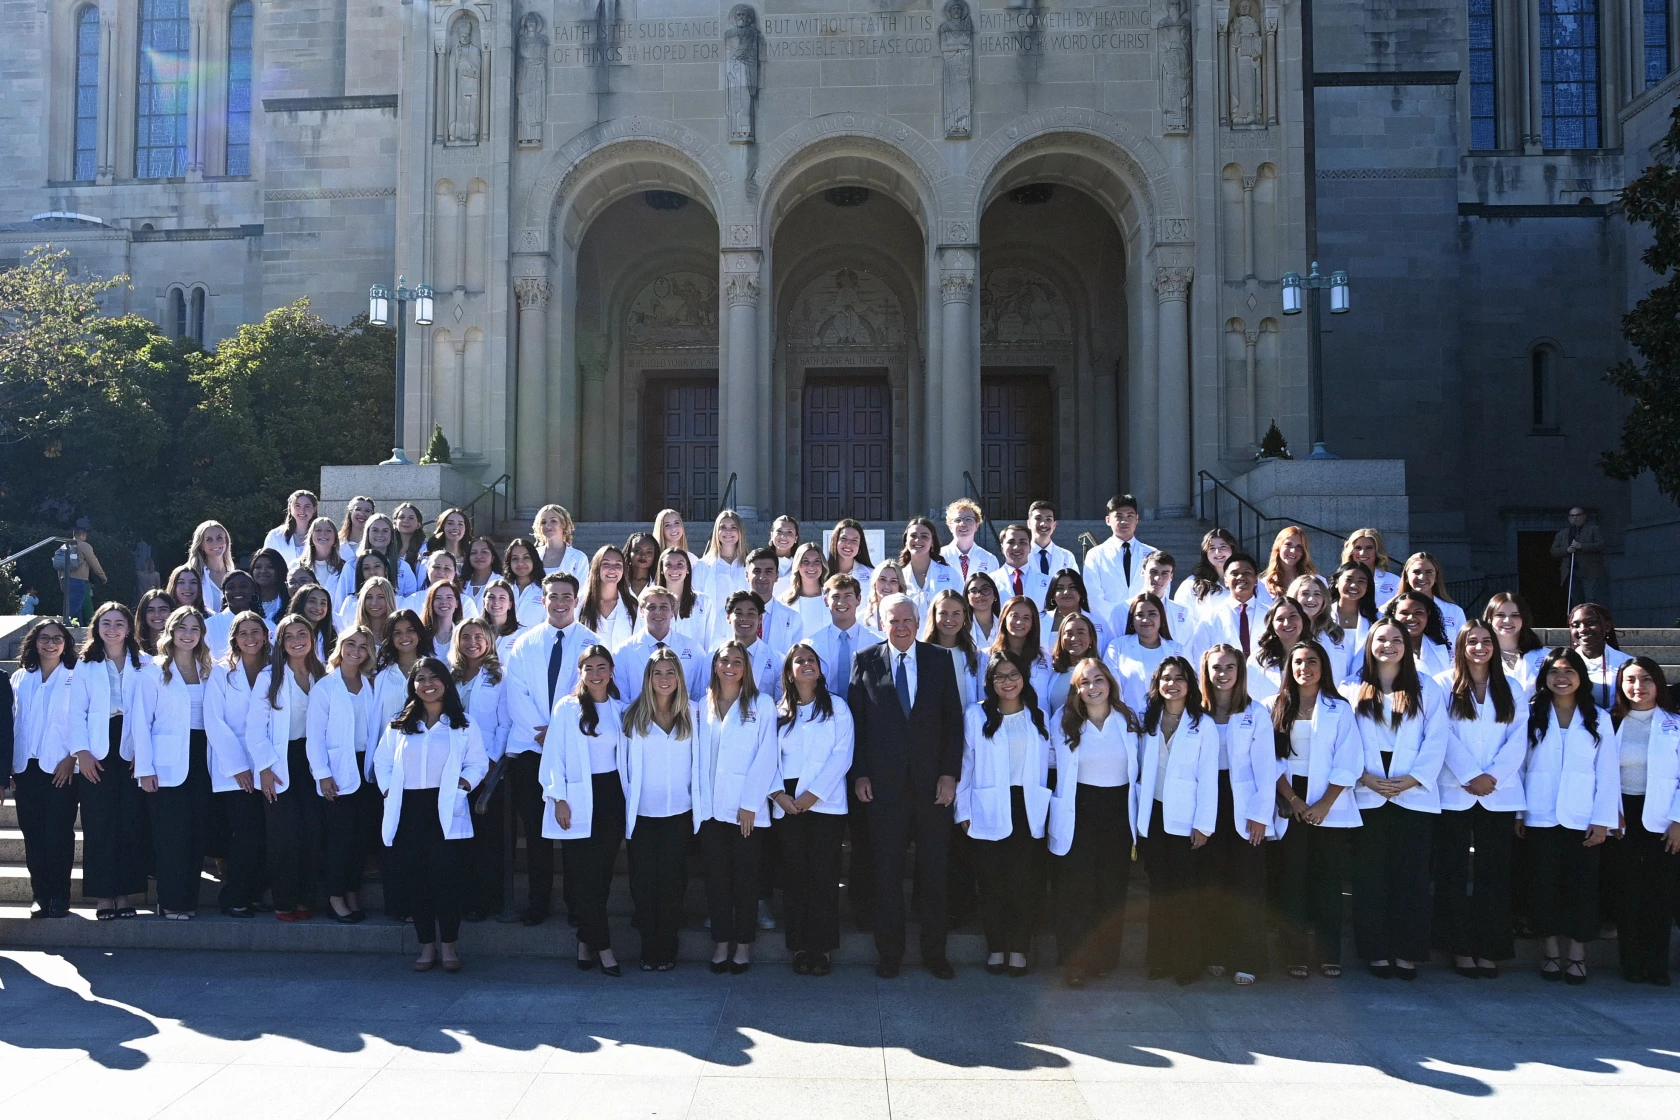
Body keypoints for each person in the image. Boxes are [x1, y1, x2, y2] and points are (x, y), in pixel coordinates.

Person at [848, 593, 965, 979]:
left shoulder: (938, 659)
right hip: (883, 787)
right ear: (882, 623)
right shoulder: (865, 660)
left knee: (934, 872)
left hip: (933, 786)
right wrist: (860, 772)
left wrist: (950, 774)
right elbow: (857, 724)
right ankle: (890, 954)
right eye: (893, 620)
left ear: (918, 622)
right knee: (887, 874)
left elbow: (953, 721)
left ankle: (935, 953)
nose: (900, 627)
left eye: (907, 620)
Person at [374, 656, 489, 973]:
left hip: (446, 808)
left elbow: (478, 763)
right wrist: (387, 790)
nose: (427, 684)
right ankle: (426, 947)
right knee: (417, 881)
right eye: (420, 678)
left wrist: (462, 787)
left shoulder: (464, 723)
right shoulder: (399, 724)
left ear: (445, 683)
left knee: (447, 881)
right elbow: (382, 762)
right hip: (409, 810)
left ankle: (450, 946)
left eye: (434, 677)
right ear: (413, 686)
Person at [1348, 620, 1446, 980]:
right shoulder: (1352, 688)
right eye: (1380, 640)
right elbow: (1344, 740)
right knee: (1369, 876)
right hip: (1368, 789)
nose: (1388, 645)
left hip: (1413, 794)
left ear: (1407, 646)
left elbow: (1437, 739)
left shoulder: (1427, 689)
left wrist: (1413, 779)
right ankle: (1375, 951)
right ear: (1369, 645)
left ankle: (1406, 952)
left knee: (1411, 878)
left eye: (1395, 640)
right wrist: (1364, 776)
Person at [1520, 647, 1619, 984]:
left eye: (1569, 672)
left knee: (1582, 887)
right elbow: (1521, 767)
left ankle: (1577, 956)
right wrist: (1520, 812)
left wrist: (1603, 819)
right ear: (1544, 678)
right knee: (1542, 885)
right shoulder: (1531, 713)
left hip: (1583, 816)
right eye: (1554, 672)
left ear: (1581, 678)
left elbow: (1607, 774)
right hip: (1539, 813)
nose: (1561, 678)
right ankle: (1550, 953)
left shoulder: (1599, 718)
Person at [503, 572, 597, 925]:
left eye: (566, 596)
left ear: (576, 600)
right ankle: (538, 902)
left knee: (574, 832)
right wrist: (541, 732)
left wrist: (558, 734)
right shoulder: (525, 643)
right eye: (553, 596)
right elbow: (517, 694)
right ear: (543, 600)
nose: (559, 602)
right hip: (530, 750)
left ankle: (577, 904)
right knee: (537, 832)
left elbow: (591, 694)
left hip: (573, 753)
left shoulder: (590, 642)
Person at [1432, 619, 1525, 978]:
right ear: (1461, 646)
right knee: (1452, 873)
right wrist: (1471, 774)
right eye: (1472, 641)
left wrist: (1493, 777)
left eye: (1487, 641)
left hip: (1498, 795)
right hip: (1455, 792)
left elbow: (1518, 738)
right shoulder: (1443, 685)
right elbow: (1442, 734)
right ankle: (1458, 949)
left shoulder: (1512, 687)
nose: (1480, 647)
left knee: (1494, 875)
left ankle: (1490, 948)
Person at [1270, 639, 1361, 979]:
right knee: (1291, 881)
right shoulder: (1275, 705)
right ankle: (1293, 954)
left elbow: (1348, 758)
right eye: (1297, 662)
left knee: (1327, 882)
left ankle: (1328, 954)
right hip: (1290, 801)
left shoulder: (1340, 707)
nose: (1304, 668)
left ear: (1323, 667)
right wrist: (1293, 800)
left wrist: (1324, 804)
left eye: (1311, 661)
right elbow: (1272, 760)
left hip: (1329, 802)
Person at [958, 651, 1053, 976]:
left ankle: (1019, 949)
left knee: (1023, 883)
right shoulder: (976, 715)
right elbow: (966, 763)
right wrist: (963, 808)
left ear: (1023, 677)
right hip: (987, 805)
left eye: (1013, 674)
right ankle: (996, 947)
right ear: (991, 682)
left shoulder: (1038, 714)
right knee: (992, 882)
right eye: (1000, 676)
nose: (1008, 681)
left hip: (1027, 808)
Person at [1048, 658, 1139, 988]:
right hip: (1079, 809)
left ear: (1110, 683)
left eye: (1098, 680)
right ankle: (1075, 961)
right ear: (1076, 689)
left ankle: (1103, 958)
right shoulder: (1064, 721)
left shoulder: (1128, 720)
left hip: (1117, 810)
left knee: (1111, 888)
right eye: (1084, 682)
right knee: (1076, 889)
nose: (1092, 687)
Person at [771, 642, 855, 975]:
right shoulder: (778, 712)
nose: (806, 664)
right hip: (787, 802)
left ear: (820, 668)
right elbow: (767, 758)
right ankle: (799, 946)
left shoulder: (837, 707)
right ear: (789, 673)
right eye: (798, 661)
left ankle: (822, 948)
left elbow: (842, 755)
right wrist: (779, 795)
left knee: (823, 877)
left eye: (811, 660)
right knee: (795, 877)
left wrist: (813, 796)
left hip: (825, 802)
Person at [542, 644, 625, 976]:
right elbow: (553, 756)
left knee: (601, 877)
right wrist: (558, 797)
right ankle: (604, 947)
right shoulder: (567, 708)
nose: (596, 674)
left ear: (611, 671)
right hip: (576, 797)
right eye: (588, 668)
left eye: (601, 666)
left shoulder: (620, 709)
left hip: (610, 798)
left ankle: (584, 939)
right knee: (584, 877)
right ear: (580, 673)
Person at [1136, 656, 1219, 984]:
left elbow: (1208, 777)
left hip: (1187, 819)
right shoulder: (1149, 720)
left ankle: (1188, 963)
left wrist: (1203, 824)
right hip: (1154, 815)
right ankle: (1160, 960)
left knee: (1185, 893)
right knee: (1159, 892)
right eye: (1166, 678)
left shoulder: (1203, 724)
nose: (1172, 684)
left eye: (1179, 678)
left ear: (1190, 685)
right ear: (1157, 685)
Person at [697, 640, 779, 973]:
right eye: (723, 661)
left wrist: (750, 804)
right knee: (716, 879)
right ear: (715, 666)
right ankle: (720, 943)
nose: (729, 666)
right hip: (710, 810)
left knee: (746, 881)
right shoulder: (702, 705)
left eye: (737, 661)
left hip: (747, 811)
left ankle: (743, 945)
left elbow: (767, 756)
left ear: (746, 668)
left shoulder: (763, 704)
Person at [1198, 645, 1274, 985]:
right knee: (1212, 881)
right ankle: (1215, 952)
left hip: (1243, 803)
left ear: (1240, 672)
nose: (1223, 673)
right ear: (1207, 672)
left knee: (1246, 884)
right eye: (1216, 667)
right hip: (1207, 800)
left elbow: (1265, 766)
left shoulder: (1255, 712)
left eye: (1230, 667)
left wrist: (1260, 815)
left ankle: (1250, 958)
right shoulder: (1196, 712)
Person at [133, 606, 214, 918]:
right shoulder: (153, 671)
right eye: (183, 628)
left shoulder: (209, 670)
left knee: (195, 834)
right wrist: (145, 769)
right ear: (171, 631)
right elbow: (140, 723)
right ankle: (170, 901)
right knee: (171, 836)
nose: (189, 634)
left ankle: (187, 901)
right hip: (166, 763)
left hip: (203, 758)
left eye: (195, 629)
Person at [620, 648, 697, 971]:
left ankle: (667, 948)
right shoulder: (632, 715)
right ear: (648, 679)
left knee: (673, 884)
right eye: (658, 674)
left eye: (670, 673)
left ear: (679, 677)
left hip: (680, 813)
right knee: (643, 884)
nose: (664, 680)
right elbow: (623, 768)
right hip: (643, 815)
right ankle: (649, 947)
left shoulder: (692, 713)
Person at [69, 602, 147, 920]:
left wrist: (145, 751)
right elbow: (75, 713)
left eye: (119, 623)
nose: (112, 628)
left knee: (129, 821)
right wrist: (82, 753)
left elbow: (152, 711)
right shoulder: (85, 665)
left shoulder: (145, 664)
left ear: (129, 628)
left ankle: (125, 894)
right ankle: (104, 896)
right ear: (97, 628)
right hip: (96, 750)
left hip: (132, 746)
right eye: (106, 623)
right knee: (99, 822)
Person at [1607, 658, 1680, 985]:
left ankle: (1656, 965)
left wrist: (1678, 820)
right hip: (1623, 813)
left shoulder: (1675, 724)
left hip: (1664, 817)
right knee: (1627, 891)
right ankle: (1631, 964)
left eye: (1646, 679)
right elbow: (1601, 773)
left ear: (1659, 684)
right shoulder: (1609, 723)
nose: (1638, 687)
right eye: (1631, 680)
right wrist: (1609, 810)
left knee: (1660, 892)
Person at [250, 615, 327, 921]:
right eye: (289, 635)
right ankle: (284, 900)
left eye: (303, 634)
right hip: (281, 760)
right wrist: (265, 768)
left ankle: (306, 899)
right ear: (280, 643)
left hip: (315, 761)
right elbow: (255, 728)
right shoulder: (269, 677)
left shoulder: (323, 675)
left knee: (312, 832)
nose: (297, 640)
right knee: (285, 835)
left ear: (311, 638)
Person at [205, 611, 278, 917]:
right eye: (243, 633)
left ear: (265, 636)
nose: (250, 638)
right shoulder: (222, 673)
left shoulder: (276, 671)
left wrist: (264, 763)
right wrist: (238, 767)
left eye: (255, 632)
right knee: (245, 834)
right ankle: (234, 897)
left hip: (269, 766)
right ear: (234, 638)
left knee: (266, 834)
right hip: (233, 769)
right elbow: (214, 720)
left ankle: (253, 894)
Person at [308, 626, 381, 924]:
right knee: (339, 840)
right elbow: (315, 738)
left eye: (363, 646)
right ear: (341, 646)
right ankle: (335, 897)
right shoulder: (325, 687)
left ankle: (352, 891)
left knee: (360, 839)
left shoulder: (371, 684)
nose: (356, 650)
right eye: (351, 643)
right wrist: (322, 775)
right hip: (337, 770)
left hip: (366, 769)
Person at [10, 619, 79, 918]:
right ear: (34, 642)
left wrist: (73, 758)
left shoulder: (77, 677)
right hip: (26, 768)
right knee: (33, 835)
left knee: (59, 834)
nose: (50, 643)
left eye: (57, 639)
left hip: (62, 768)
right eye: (44, 638)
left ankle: (60, 897)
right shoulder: (20, 678)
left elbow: (84, 721)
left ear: (66, 643)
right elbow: (13, 723)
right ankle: (40, 895)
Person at [450, 617, 510, 922]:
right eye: (466, 637)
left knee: (485, 839)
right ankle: (461, 897)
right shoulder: (450, 677)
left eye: (479, 637)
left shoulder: (500, 677)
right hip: (453, 768)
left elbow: (505, 723)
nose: (472, 642)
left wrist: (488, 762)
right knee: (459, 839)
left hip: (486, 772)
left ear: (489, 641)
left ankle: (486, 900)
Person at [614, 586, 708, 702]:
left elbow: (700, 695)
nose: (658, 611)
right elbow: (621, 700)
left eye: (663, 607)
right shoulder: (622, 652)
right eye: (651, 607)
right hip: (639, 719)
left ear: (672, 611)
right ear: (642, 612)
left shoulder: (693, 650)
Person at [1083, 494, 1155, 627]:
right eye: (1119, 516)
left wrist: (1138, 617)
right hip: (1108, 624)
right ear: (1108, 520)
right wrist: (1118, 619)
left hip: (1143, 624)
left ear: (1137, 519)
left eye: (1130, 516)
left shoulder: (1152, 554)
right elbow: (1094, 596)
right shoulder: (1095, 555)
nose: (1124, 521)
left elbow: (1158, 590)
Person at [1105, 592, 1182, 713]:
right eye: (1140, 615)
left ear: (1161, 618)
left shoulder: (1177, 650)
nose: (1146, 619)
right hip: (1126, 721)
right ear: (1132, 620)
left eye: (1152, 614)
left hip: (1165, 722)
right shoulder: (1117, 647)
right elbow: (1109, 688)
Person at [1191, 553, 1261, 665]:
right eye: (1234, 574)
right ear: (1226, 581)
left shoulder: (1271, 615)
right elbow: (1200, 660)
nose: (1241, 577)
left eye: (1247, 573)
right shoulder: (1210, 619)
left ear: (1256, 579)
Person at [1566, 602, 1632, 710]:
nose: (1582, 629)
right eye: (1576, 625)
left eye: (1591, 623)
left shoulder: (1626, 663)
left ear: (1607, 626)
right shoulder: (1563, 663)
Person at [1393, 552, 1467, 648]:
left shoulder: (1454, 611)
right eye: (1416, 572)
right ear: (1406, 576)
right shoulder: (1389, 610)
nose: (1422, 577)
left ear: (1436, 577)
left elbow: (1462, 648)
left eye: (1429, 572)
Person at [925, 589, 983, 706]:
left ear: (964, 616)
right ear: (934, 615)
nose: (949, 619)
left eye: (956, 613)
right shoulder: (923, 654)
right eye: (943, 613)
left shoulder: (975, 655)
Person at [1246, 597, 1307, 705]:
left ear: (1302, 619)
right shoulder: (1257, 658)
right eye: (1280, 619)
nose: (1287, 623)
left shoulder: (1316, 654)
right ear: (1272, 624)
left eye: (1293, 616)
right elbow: (1251, 699)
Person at [722, 591, 781, 700]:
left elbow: (781, 704)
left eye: (751, 613)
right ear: (728, 618)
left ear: (760, 619)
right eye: (738, 613)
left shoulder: (778, 661)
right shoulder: (713, 659)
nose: (744, 618)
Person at [654, 546, 717, 647]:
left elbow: (712, 643)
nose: (674, 569)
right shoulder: (651, 603)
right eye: (668, 565)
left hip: (697, 662)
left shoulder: (703, 602)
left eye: (680, 564)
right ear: (661, 569)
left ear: (687, 568)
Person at [1485, 591, 1545, 695]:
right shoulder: (1481, 656)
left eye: (1515, 615)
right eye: (1500, 615)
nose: (1507, 620)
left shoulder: (1545, 656)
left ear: (1524, 619)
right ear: (1489, 619)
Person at [578, 545, 636, 650]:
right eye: (606, 564)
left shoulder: (633, 605)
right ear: (596, 567)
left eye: (618, 564)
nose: (612, 569)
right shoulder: (579, 603)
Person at [1040, 568, 1109, 656]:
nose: (1066, 592)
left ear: (1080, 592)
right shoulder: (1039, 621)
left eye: (1072, 587)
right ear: (1053, 594)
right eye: (1060, 588)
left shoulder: (1099, 623)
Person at [899, 517, 961, 613]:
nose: (917, 540)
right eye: (913, 536)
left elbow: (962, 607)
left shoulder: (950, 573)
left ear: (932, 542)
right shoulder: (898, 576)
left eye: (924, 536)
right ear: (906, 541)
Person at [747, 547, 803, 652]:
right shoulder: (727, 614)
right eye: (757, 571)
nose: (762, 577)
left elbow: (794, 660)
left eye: (768, 571)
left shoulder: (792, 618)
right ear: (747, 575)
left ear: (777, 576)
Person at [1552, 506, 1608, 611]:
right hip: (1571, 571)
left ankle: (1591, 619)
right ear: (1569, 518)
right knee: (1576, 599)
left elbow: (1601, 545)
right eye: (1572, 516)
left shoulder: (1593, 529)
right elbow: (1553, 550)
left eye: (1578, 515)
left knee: (1590, 598)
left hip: (1589, 571)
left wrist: (1581, 546)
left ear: (1584, 516)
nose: (1575, 518)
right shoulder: (1562, 533)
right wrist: (1567, 550)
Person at [1389, 589, 1453, 678]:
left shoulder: (1444, 649)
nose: (1411, 618)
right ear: (1394, 615)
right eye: (1404, 613)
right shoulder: (1385, 648)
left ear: (1428, 614)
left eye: (1418, 612)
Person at [1176, 528, 1237, 622]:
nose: (1218, 552)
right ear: (1206, 553)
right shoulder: (1191, 584)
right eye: (1212, 548)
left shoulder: (1246, 581)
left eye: (1223, 546)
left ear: (1232, 549)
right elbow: (1180, 620)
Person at [696, 509, 750, 605]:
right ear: (717, 531)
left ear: (740, 531)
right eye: (723, 527)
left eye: (733, 527)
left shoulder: (750, 565)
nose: (728, 531)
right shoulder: (702, 566)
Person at [991, 524, 1051, 609]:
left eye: (1022, 542)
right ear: (1002, 548)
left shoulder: (1047, 582)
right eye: (1011, 542)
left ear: (1030, 548)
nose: (1016, 547)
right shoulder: (990, 581)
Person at [1257, 526, 1317, 609]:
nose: (1293, 550)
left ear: (1304, 552)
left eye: (1299, 547)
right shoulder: (1262, 585)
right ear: (1278, 547)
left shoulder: (1317, 582)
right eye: (1288, 544)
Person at [780, 541, 831, 636]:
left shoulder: (833, 599)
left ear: (823, 565)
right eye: (805, 561)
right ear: (797, 565)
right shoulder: (783, 601)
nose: (811, 566)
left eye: (817, 561)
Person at [294, 517, 347, 606]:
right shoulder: (296, 566)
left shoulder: (345, 567)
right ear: (311, 537)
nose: (323, 534)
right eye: (318, 530)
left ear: (335, 539)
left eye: (328, 530)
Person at [532, 505, 590, 585]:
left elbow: (581, 591)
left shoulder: (579, 557)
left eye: (553, 521)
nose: (547, 526)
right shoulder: (533, 555)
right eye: (543, 522)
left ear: (564, 524)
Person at [61, 521, 108, 621]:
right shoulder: (84, 546)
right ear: (83, 535)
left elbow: (60, 566)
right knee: (74, 608)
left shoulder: (64, 546)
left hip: (65, 579)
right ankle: (64, 625)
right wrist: (103, 576)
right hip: (79, 580)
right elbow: (94, 562)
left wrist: (61, 582)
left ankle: (79, 631)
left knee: (77, 609)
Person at [941, 498, 998, 579]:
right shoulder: (939, 557)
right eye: (958, 520)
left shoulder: (990, 560)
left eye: (968, 519)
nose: (963, 524)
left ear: (976, 525)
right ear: (950, 526)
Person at [1342, 529, 1401, 604]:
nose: (1362, 553)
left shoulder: (1394, 581)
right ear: (1351, 552)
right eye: (1358, 548)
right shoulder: (1340, 580)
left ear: (1377, 551)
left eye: (1369, 548)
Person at [263, 489, 319, 568]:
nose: (302, 511)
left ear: (314, 509)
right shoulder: (275, 536)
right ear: (290, 508)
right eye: (297, 506)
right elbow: (267, 563)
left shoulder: (321, 536)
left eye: (307, 506)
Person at [824, 518, 876, 602]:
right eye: (844, 538)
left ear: (860, 546)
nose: (848, 544)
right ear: (835, 541)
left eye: (854, 540)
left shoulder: (872, 575)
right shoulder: (821, 573)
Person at [1143, 551, 1190, 638]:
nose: (1158, 578)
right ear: (1143, 573)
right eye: (1153, 572)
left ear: (1171, 577)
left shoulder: (1182, 612)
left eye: (1164, 573)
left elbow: (1186, 647)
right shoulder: (1123, 609)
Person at [1027, 500, 1079, 577]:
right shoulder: (1020, 555)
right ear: (1029, 523)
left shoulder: (1066, 556)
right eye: (1038, 518)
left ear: (1054, 525)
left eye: (1048, 519)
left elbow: (1075, 585)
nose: (1043, 524)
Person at [502, 537, 547, 628]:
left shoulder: (545, 590)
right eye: (515, 558)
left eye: (526, 557)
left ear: (534, 560)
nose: (520, 563)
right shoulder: (502, 589)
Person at [421, 581, 463, 664]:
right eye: (438, 598)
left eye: (449, 597)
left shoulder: (463, 634)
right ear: (431, 603)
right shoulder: (421, 634)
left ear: (456, 603)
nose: (444, 602)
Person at [460, 536, 501, 616]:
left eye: (484, 552)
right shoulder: (461, 583)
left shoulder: (502, 582)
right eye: (474, 552)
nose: (479, 556)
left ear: (493, 558)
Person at [862, 561, 906, 636]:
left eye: (893, 581)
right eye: (882, 579)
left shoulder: (909, 617)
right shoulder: (861, 618)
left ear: (900, 586)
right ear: (875, 583)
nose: (887, 585)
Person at [250, 548, 289, 622]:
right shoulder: (247, 600)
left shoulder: (290, 600)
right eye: (258, 567)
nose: (263, 571)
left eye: (270, 567)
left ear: (280, 569)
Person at [136, 589, 178, 656]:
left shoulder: (180, 645)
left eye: (163, 609)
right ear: (143, 614)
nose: (157, 615)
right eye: (150, 610)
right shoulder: (133, 647)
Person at [337, 495, 376, 564]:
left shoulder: (377, 543)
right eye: (358, 509)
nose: (362, 514)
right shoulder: (337, 542)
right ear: (350, 513)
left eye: (367, 511)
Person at [623, 532, 661, 601]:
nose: (643, 555)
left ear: (655, 555)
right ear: (628, 553)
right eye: (637, 550)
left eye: (649, 552)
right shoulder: (619, 582)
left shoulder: (660, 584)